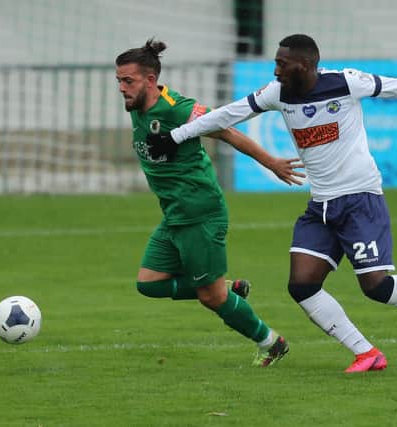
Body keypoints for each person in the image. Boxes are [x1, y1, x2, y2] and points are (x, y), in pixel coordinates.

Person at [148, 34, 397, 372]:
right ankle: (366, 353)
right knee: (302, 285)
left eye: (283, 64)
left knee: (377, 287)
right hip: (321, 205)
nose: (276, 70)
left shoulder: (346, 82)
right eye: (275, 63)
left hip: (360, 199)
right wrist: (175, 137)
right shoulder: (276, 93)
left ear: (306, 65)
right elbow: (228, 115)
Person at [115, 39, 306, 367]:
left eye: (127, 81)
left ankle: (270, 342)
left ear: (149, 80)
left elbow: (226, 131)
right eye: (118, 81)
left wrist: (271, 162)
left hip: (199, 212)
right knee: (148, 283)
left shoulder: (176, 107)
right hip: (174, 214)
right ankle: (228, 286)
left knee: (211, 297)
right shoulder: (139, 106)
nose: (121, 88)